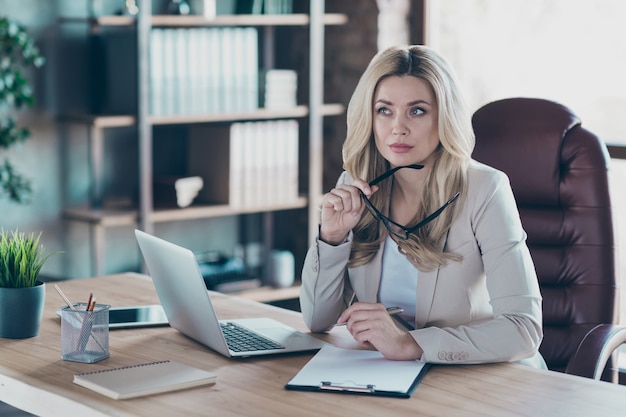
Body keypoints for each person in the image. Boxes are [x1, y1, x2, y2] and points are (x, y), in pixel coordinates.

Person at [300, 44, 546, 369]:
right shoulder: (357, 186)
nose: (398, 127)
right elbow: (318, 321)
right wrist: (331, 238)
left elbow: (522, 329)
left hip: (481, 376)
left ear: (444, 117)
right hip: (390, 372)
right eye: (384, 110)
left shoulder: (484, 189)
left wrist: (409, 344)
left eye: (417, 111)